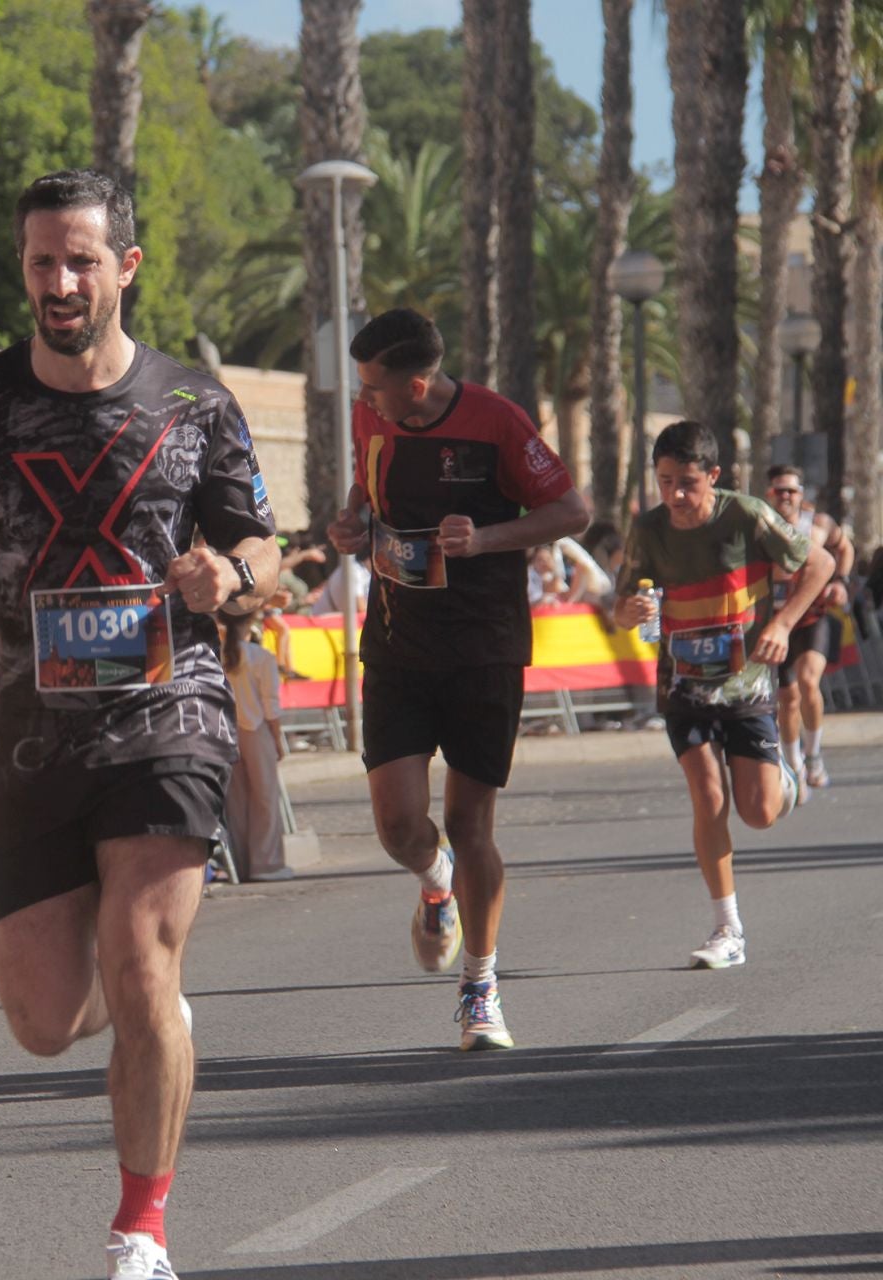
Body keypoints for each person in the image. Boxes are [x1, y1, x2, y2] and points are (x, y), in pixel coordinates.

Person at [0, 168, 280, 1280]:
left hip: (171, 713)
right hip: (28, 730)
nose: (60, 283)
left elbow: (264, 543)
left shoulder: (192, 400)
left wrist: (229, 571)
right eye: (40, 263)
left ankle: (140, 1227)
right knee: (46, 1018)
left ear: (127, 266)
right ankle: (153, 1021)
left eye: (80, 260)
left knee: (140, 961)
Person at [326, 307, 589, 1052]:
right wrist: (348, 526)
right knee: (399, 827)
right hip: (396, 646)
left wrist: (486, 539)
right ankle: (434, 879)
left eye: (375, 387)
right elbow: (362, 494)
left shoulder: (496, 422)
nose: (365, 399)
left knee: (473, 824)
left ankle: (480, 986)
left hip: (483, 649)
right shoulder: (370, 416)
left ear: (417, 384)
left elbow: (573, 509)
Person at [614, 425, 831, 968]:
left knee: (757, 812)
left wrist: (781, 623)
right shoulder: (648, 529)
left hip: (746, 685)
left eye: (687, 483)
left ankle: (781, 774)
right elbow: (621, 604)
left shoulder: (746, 514)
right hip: (682, 686)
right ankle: (727, 928)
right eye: (665, 482)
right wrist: (631, 613)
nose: (676, 496)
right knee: (708, 797)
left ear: (713, 476)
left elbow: (820, 564)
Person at [763, 465, 853, 797]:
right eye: (778, 490)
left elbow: (845, 548)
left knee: (809, 681)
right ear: (768, 494)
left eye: (791, 490)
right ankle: (794, 765)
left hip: (813, 616)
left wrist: (840, 582)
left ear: (802, 494)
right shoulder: (759, 527)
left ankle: (813, 755)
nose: (785, 496)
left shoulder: (818, 525)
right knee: (787, 698)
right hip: (777, 621)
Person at [220, 613, 290, 881]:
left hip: (228, 730)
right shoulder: (261, 657)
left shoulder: (219, 656)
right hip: (256, 728)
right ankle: (267, 863)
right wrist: (277, 739)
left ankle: (242, 863)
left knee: (236, 801)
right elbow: (271, 706)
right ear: (250, 624)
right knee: (265, 798)